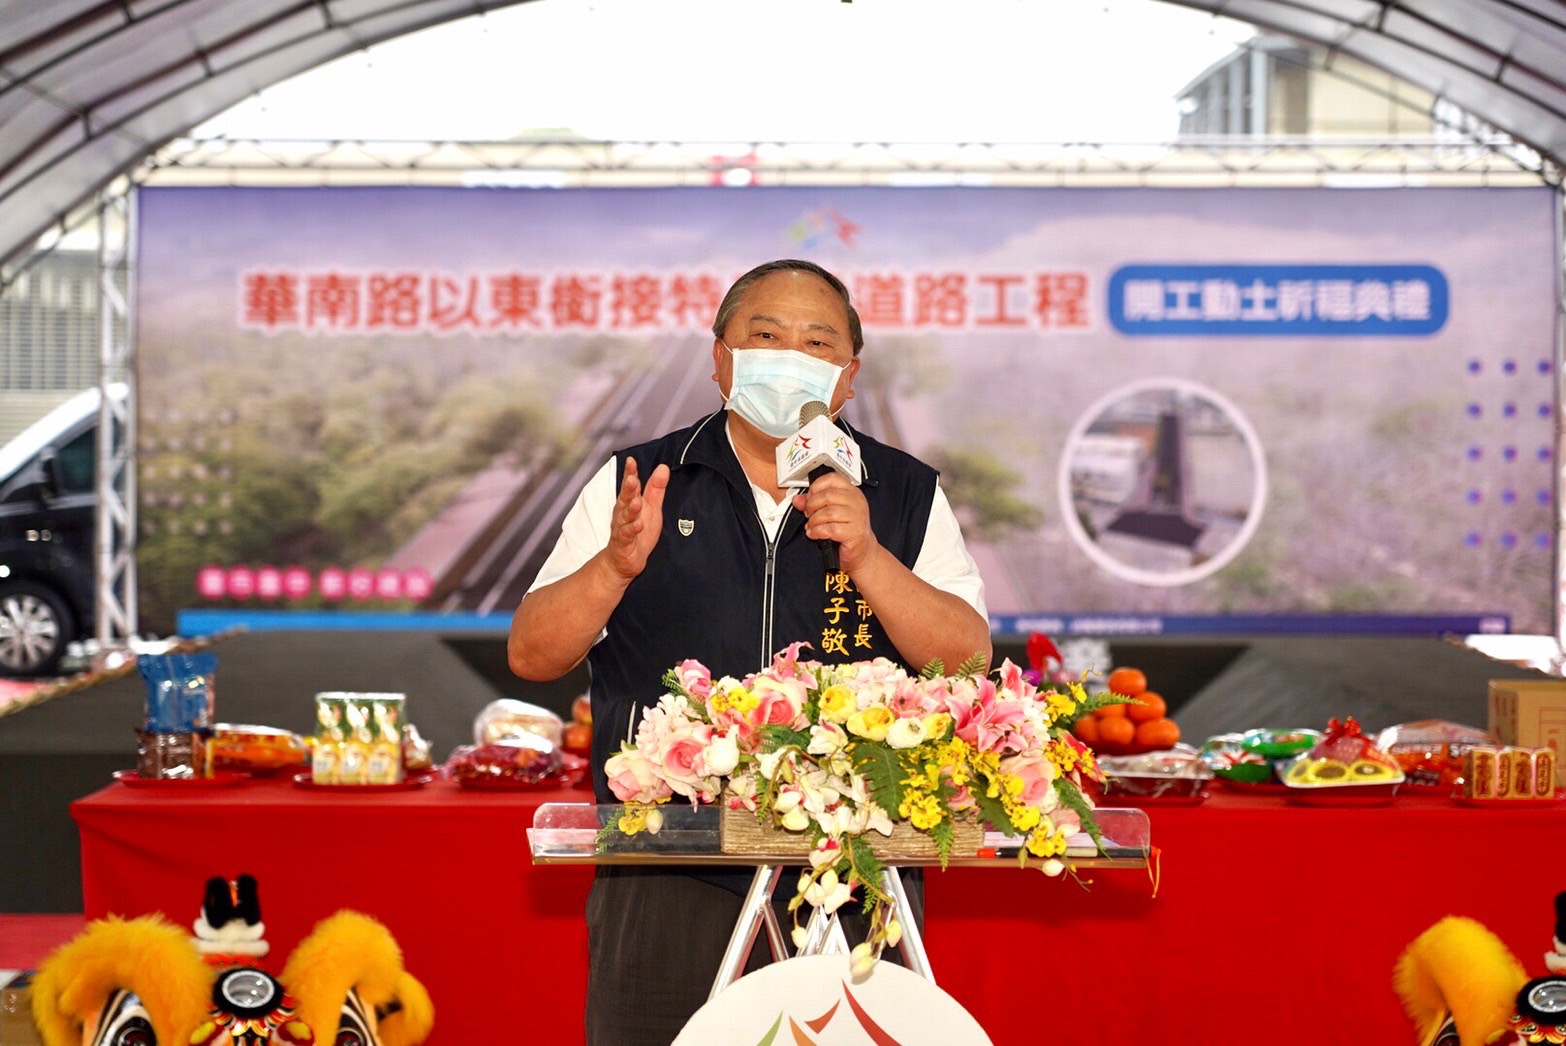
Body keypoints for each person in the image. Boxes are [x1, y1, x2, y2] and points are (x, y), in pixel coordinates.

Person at [508, 258, 990, 1044]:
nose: (789, 357)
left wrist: (870, 556)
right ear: (720, 357)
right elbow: (533, 654)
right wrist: (615, 567)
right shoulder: (642, 482)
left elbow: (968, 662)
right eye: (765, 336)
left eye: (816, 343)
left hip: (854, 872)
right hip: (666, 868)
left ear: (848, 376)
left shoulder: (904, 493)